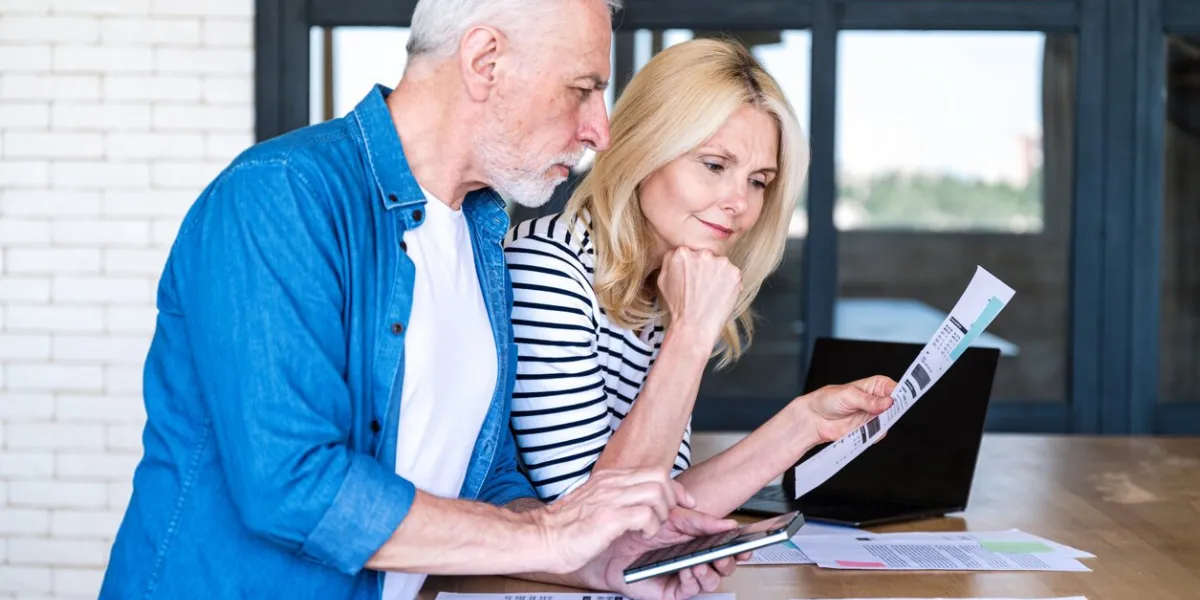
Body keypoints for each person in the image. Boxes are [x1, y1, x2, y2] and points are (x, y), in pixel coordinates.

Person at [100, 2, 747, 599]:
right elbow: (292, 485)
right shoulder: (279, 197)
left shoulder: (480, 234)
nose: (600, 132)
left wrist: (598, 563)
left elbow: (490, 485)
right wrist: (550, 537)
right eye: (583, 88)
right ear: (484, 61)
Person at [504, 38, 899, 516]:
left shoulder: (663, 281)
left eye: (758, 182)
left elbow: (663, 496)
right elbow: (597, 520)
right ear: (644, 148)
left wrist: (807, 423)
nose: (740, 202)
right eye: (714, 165)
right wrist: (690, 335)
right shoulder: (546, 264)